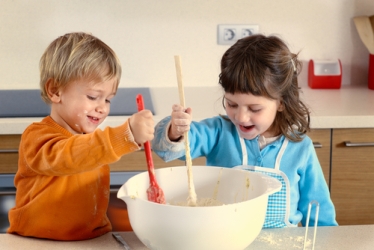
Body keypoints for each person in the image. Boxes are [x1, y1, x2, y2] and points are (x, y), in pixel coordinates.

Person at [151, 34, 337, 228]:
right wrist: (175, 130)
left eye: (254, 109)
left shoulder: (301, 148)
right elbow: (167, 148)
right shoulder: (218, 133)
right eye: (231, 104)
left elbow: (318, 210)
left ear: (281, 102)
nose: (240, 117)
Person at [7, 32, 154, 240]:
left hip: (91, 238)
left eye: (108, 100)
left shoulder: (91, 143)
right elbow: (69, 156)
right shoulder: (37, 136)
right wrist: (125, 135)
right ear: (55, 90)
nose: (102, 108)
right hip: (35, 240)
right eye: (93, 97)